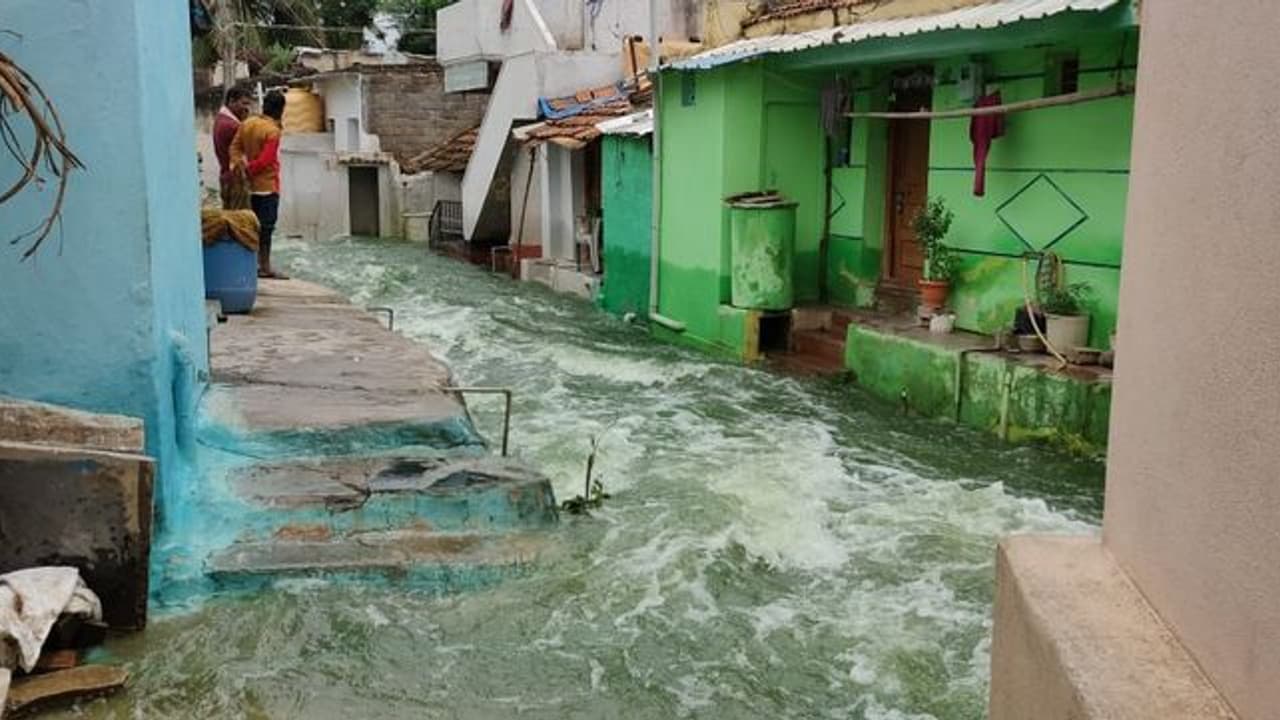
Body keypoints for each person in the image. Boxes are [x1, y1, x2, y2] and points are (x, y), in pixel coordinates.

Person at [230, 89, 287, 279]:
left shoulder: (248, 123)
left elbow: (235, 147)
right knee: (266, 228)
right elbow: (267, 160)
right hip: (267, 186)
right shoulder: (273, 131)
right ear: (280, 110)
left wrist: (240, 165)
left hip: (248, 188)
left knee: (250, 227)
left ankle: (251, 264)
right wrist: (251, 169)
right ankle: (265, 266)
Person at [213, 87, 253, 209]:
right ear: (231, 101)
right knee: (240, 221)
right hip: (236, 180)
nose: (246, 108)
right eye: (243, 103)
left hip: (227, 177)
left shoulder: (221, 119)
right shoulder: (231, 126)